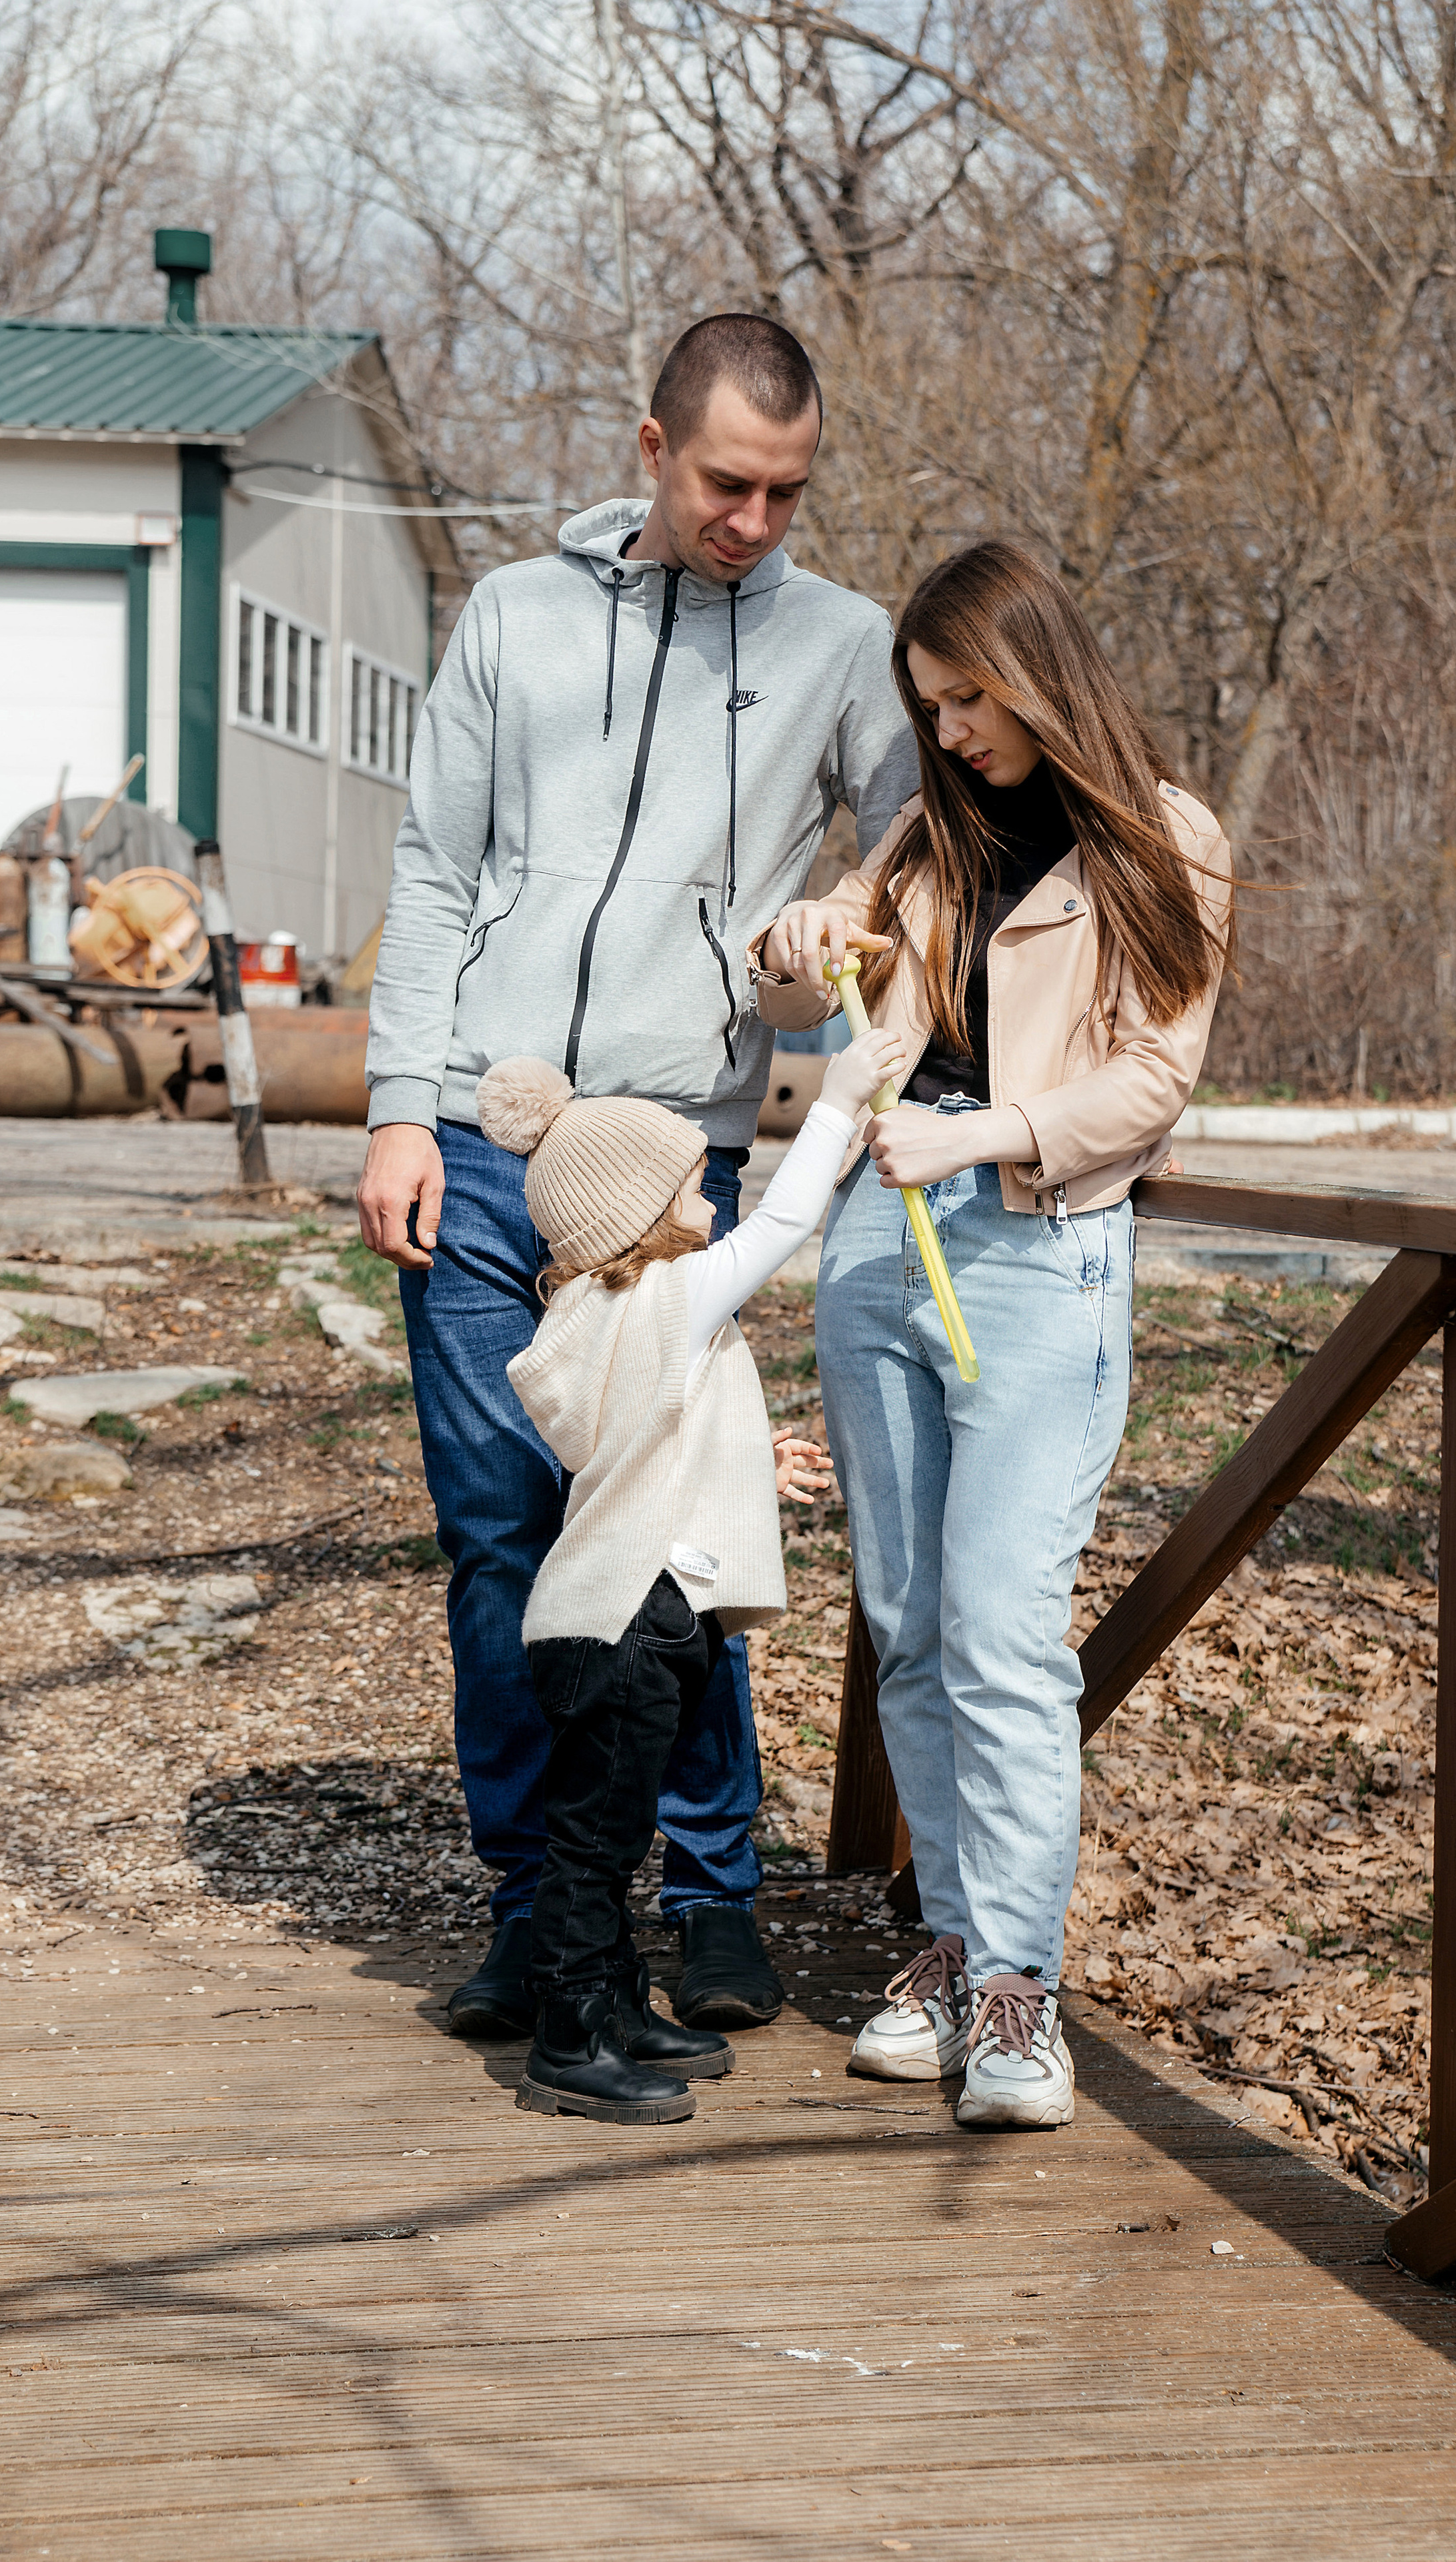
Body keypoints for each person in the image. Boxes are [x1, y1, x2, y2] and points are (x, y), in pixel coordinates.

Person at [357, 314, 919, 2041]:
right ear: (655, 445)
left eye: (788, 491)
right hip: (481, 1135)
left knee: (680, 1529)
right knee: (502, 1534)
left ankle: (713, 1887)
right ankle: (539, 1906)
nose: (757, 520)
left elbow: (924, 827)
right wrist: (395, 1103)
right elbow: (439, 870)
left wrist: (848, 914)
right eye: (728, 482)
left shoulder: (842, 642)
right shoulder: (516, 618)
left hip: (683, 1150)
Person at [752, 540, 1233, 2130]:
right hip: (880, 1243)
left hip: (1035, 1252)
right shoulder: (919, 835)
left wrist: (984, 1135)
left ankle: (1022, 1994)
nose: (950, 731)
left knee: (1003, 1631)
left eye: (970, 698)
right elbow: (808, 1008)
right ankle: (950, 1947)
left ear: (1040, 674)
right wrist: (797, 947)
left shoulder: (1170, 843)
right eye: (929, 703)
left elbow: (1152, 1082)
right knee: (906, 1623)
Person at [472, 1023, 904, 2121]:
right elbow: (790, 1217)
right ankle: (569, 2042)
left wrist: (746, 1454)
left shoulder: (587, 1319)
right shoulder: (668, 1299)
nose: (708, 1207)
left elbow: (638, 1437)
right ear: (634, 1220)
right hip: (633, 1616)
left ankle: (612, 2004)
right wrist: (842, 1097)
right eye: (685, 1193)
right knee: (595, 1845)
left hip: (605, 1613)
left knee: (607, 1831)